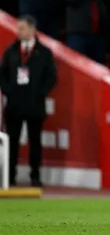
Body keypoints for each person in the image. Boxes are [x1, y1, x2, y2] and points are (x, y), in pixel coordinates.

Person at [0, 15, 57, 187]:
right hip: (14, 104)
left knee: (35, 141)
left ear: (32, 29)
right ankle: (9, 176)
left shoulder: (44, 53)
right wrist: (9, 91)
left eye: (22, 28)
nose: (18, 31)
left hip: (35, 104)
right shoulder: (11, 51)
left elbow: (51, 77)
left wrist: (40, 93)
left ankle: (35, 175)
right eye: (18, 28)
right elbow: (2, 74)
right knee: (12, 142)